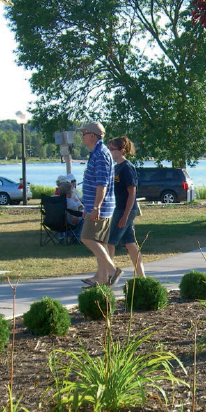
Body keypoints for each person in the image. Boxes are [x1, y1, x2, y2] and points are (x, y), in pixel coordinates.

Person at [77, 121, 118, 288]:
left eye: (84, 134)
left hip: (101, 207)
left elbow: (101, 184)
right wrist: (89, 207)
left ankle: (112, 271)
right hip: (98, 206)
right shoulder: (97, 153)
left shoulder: (100, 154)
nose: (82, 137)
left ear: (92, 135)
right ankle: (101, 278)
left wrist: (95, 207)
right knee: (99, 242)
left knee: (87, 238)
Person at [107, 136, 145, 282]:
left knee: (110, 242)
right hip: (118, 208)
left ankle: (109, 275)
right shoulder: (116, 167)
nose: (110, 151)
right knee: (130, 243)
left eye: (112, 149)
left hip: (125, 209)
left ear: (122, 151)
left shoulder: (127, 168)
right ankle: (142, 277)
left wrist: (125, 215)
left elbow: (132, 193)